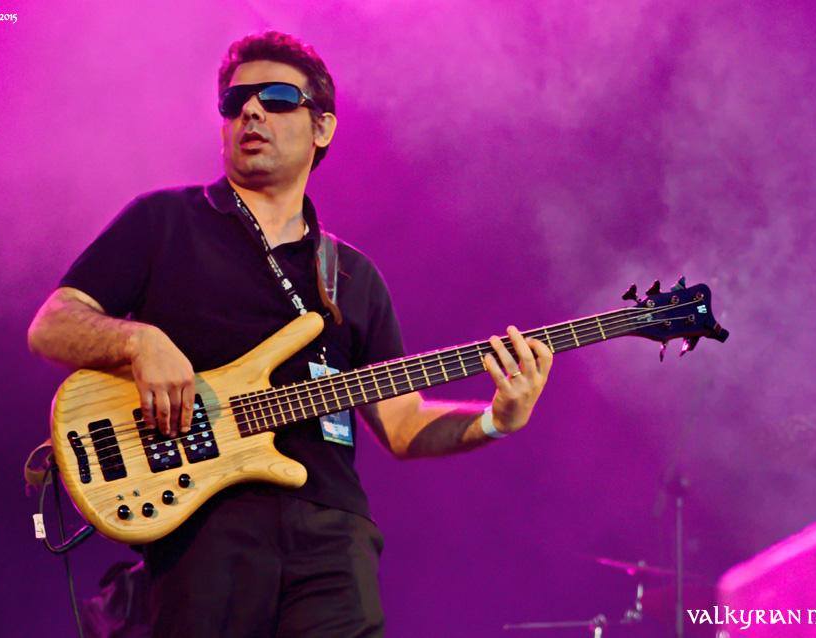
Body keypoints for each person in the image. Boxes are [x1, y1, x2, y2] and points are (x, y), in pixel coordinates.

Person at [28, 30, 553, 638]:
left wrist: (495, 419)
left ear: (322, 127)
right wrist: (138, 342)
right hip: (206, 528)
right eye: (235, 101)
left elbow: (402, 424)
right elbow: (52, 324)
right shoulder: (163, 221)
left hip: (333, 539)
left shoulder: (352, 276)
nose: (250, 111)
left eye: (276, 98)